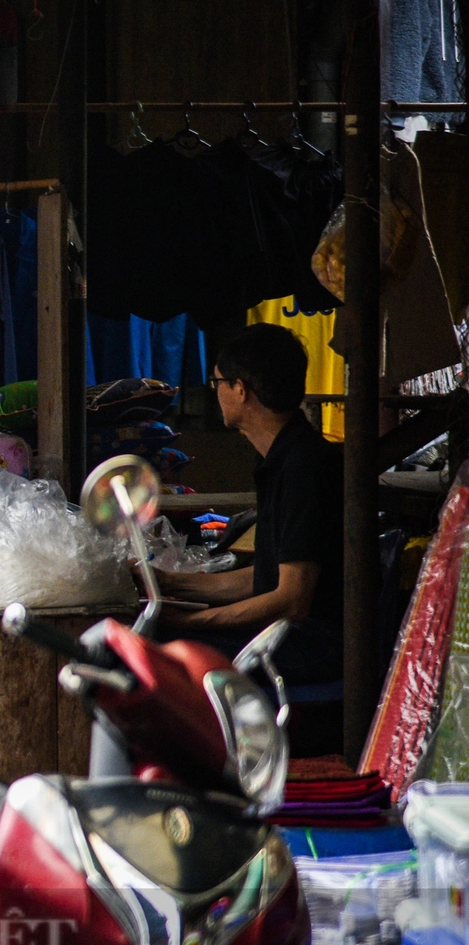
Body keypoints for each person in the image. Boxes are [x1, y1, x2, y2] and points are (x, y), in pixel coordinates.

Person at [154, 323, 344, 755]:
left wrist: (188, 623)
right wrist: (169, 584)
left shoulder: (302, 467)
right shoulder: (285, 457)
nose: (216, 390)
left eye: (217, 382)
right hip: (295, 630)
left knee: (167, 650)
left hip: (313, 642)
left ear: (240, 389)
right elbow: (262, 579)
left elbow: (291, 599)